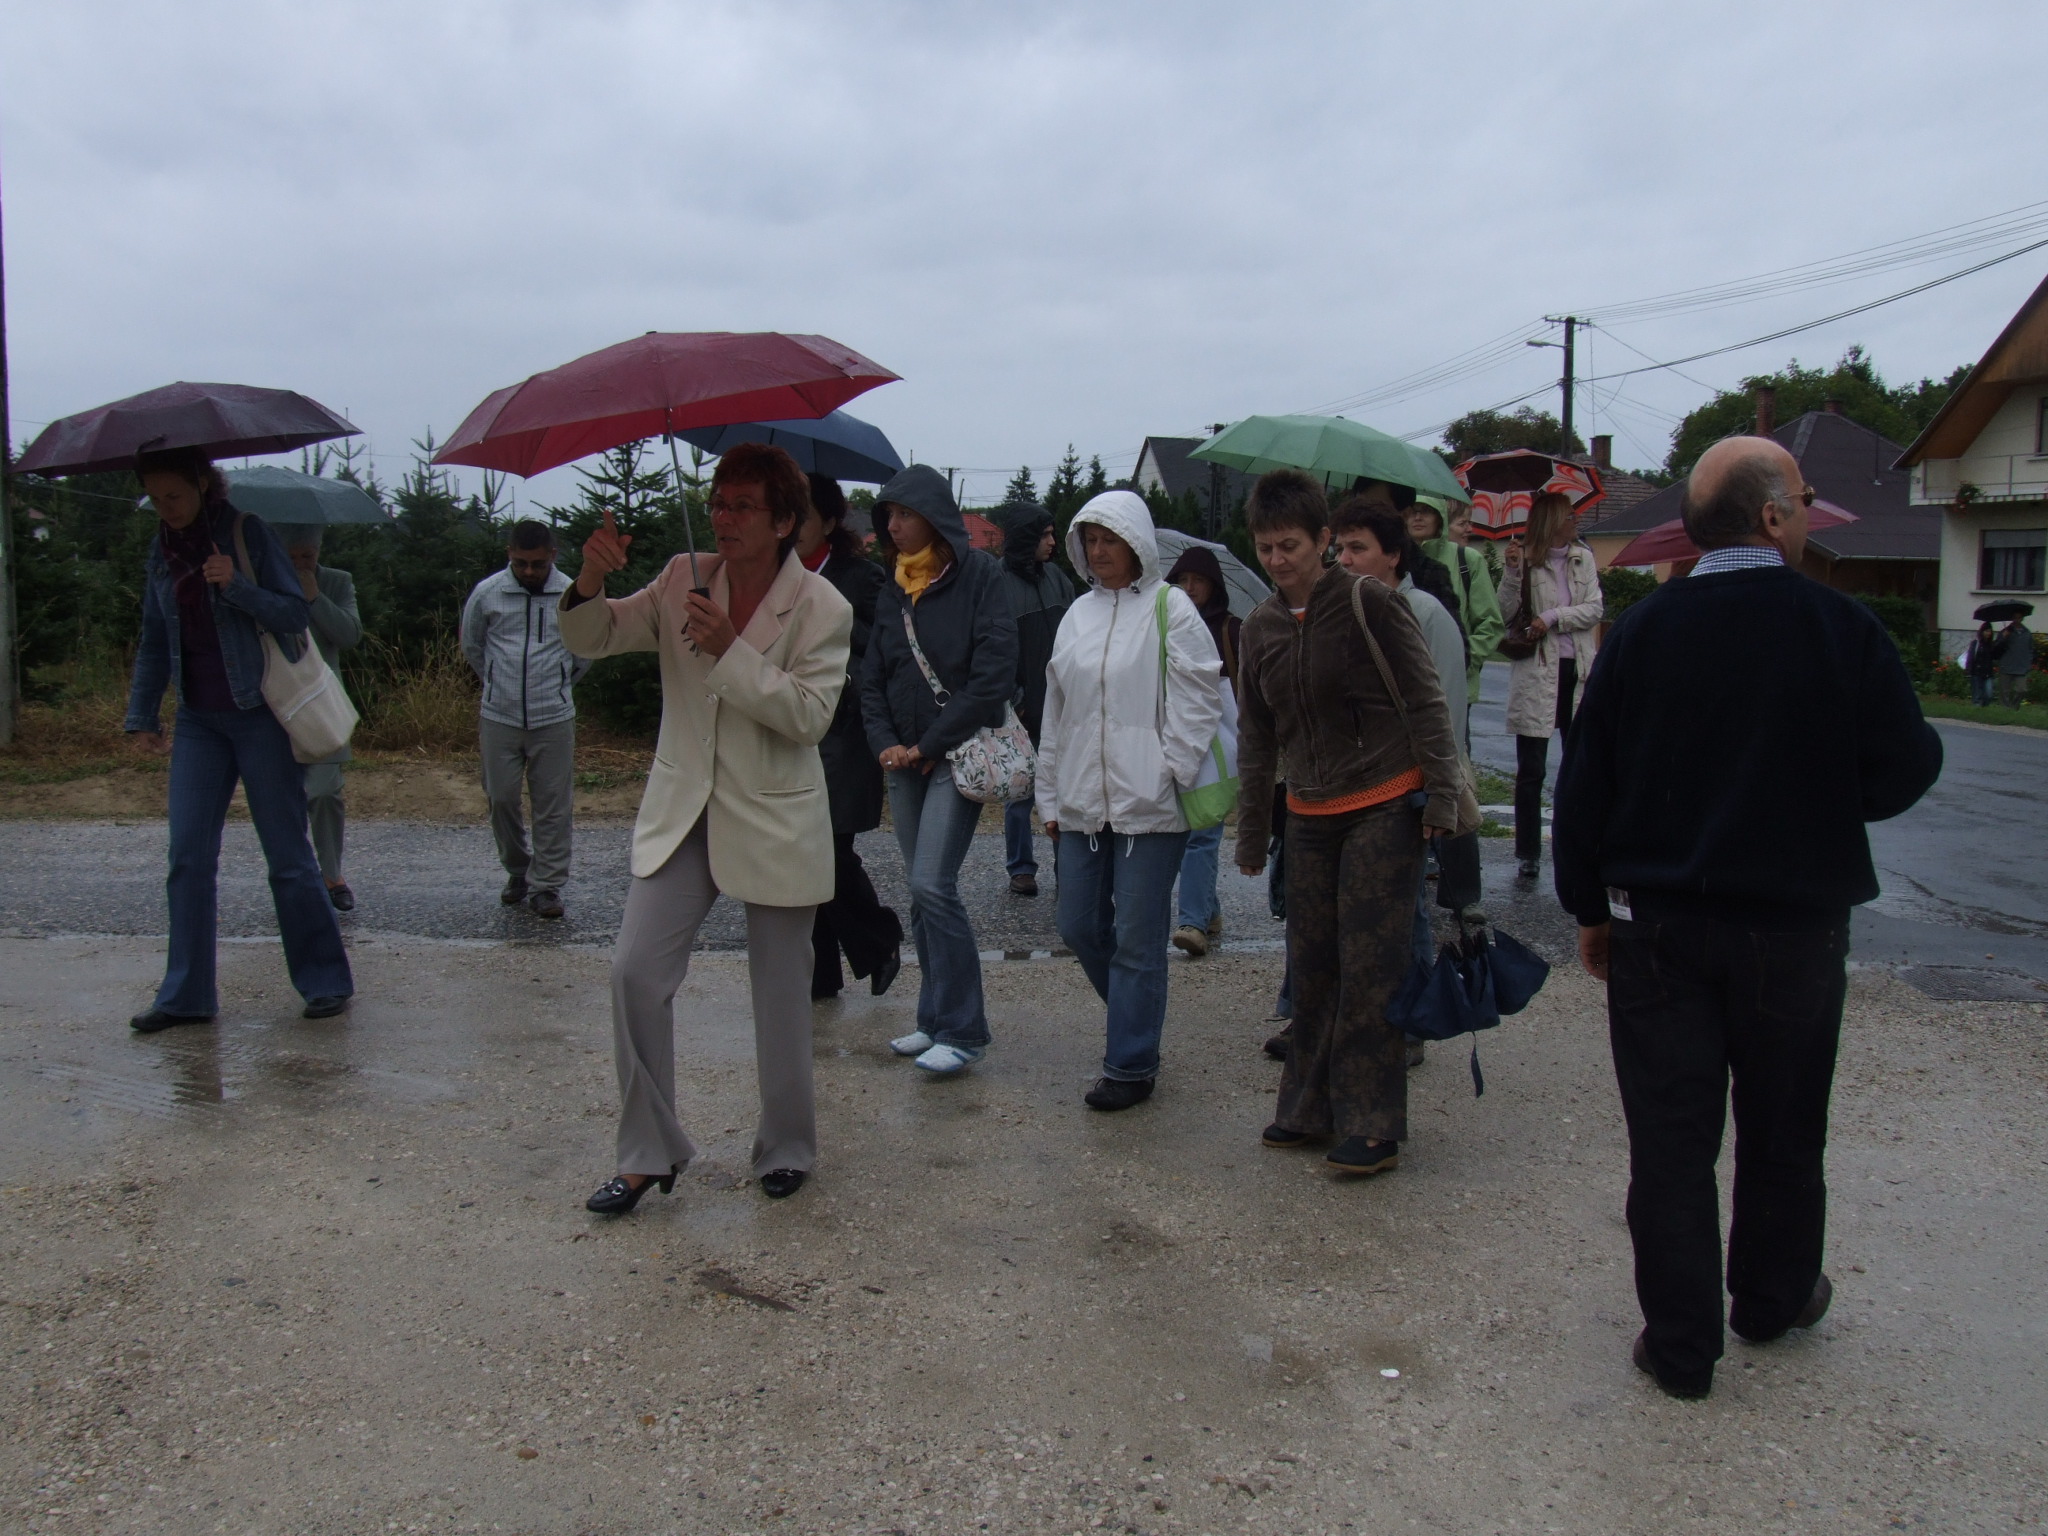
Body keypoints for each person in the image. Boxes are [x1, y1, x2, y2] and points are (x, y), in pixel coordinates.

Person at [1554, 434, 1942, 1400]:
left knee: (1671, 1141)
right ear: (1772, 516)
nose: (1806, 512)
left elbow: (1586, 785)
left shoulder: (1643, 633)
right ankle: (1771, 1298)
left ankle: (1682, 1348)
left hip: (1659, 927)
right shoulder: (1840, 628)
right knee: (1785, 1125)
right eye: (1802, 499)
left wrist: (1589, 908)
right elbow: (1907, 765)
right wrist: (1821, 801)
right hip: (1795, 929)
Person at [562, 442, 852, 1211]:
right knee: (634, 973)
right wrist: (589, 578)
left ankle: (786, 1147)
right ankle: (646, 1152)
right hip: (684, 807)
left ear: (784, 521)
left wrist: (730, 649)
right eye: (718, 502)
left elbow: (809, 717)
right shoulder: (680, 577)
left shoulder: (823, 606)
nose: (723, 517)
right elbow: (593, 636)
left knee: (782, 992)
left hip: (774, 815)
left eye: (742, 506)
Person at [1235, 470, 1476, 1176]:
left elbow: (1427, 702)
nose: (1277, 560)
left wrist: (1440, 798)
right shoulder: (1260, 627)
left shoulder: (1371, 602)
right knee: (1311, 966)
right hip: (1309, 812)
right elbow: (1257, 737)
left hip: (1383, 802)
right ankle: (1308, 1106)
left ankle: (1373, 1123)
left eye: (1290, 545)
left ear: (1323, 541)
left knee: (1372, 965)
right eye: (1265, 547)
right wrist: (1252, 831)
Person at [122, 448, 353, 1031]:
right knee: (188, 857)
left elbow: (293, 616)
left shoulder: (248, 534)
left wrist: (237, 586)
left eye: (175, 495)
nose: (167, 508)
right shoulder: (162, 549)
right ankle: (186, 996)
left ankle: (325, 981)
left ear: (203, 484)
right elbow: (154, 639)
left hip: (260, 715)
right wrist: (142, 716)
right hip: (198, 721)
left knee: (288, 857)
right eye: (156, 498)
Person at [1037, 492, 1224, 1111]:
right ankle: (1134, 1015)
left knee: (1138, 940)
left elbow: (1201, 695)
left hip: (1153, 806)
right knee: (1077, 925)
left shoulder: (1172, 607)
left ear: (1137, 543)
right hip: (1082, 803)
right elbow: (1056, 710)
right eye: (1089, 540)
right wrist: (1049, 795)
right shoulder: (1076, 615)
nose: (1098, 551)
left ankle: (1131, 1063)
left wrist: (1169, 769)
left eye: (1109, 540)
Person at [858, 464, 1018, 1076]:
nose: (893, 526)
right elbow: (872, 676)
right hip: (903, 760)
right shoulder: (894, 584)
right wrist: (885, 745)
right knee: (921, 894)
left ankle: (965, 1030)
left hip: (958, 753)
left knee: (932, 884)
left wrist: (928, 744)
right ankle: (932, 1019)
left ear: (934, 516)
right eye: (888, 516)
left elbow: (992, 677)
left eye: (905, 514)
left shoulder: (981, 576)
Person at [1330, 496, 1468, 1070]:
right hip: (1349, 783)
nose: (1344, 558)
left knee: (1405, 908)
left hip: (1406, 784)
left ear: (1392, 555)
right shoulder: (1340, 610)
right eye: (1339, 547)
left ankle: (1409, 1022)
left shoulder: (1424, 613)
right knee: (1349, 906)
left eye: (1357, 548)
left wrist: (1437, 792)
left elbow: (1444, 708)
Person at [797, 473, 904, 1002]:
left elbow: (886, 645)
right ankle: (818, 977)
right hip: (793, 728)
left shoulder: (860, 578)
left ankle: (878, 941)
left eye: (803, 514)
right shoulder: (775, 576)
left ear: (830, 522)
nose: (790, 525)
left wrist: (831, 636)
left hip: (845, 727)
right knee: (801, 849)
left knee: (828, 847)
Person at [462, 521, 588, 920]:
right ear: (509, 555)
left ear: (553, 555)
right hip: (499, 716)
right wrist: (497, 683)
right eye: (520, 563)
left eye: (537, 563)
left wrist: (557, 684)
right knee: (500, 797)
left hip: (553, 716)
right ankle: (518, 870)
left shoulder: (571, 594)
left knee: (553, 805)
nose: (529, 571)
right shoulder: (488, 593)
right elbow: (472, 645)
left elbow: (585, 651)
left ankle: (546, 885)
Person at [1500, 491, 1603, 882]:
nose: (1576, 521)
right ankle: (1528, 852)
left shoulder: (1583, 558)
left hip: (1577, 670)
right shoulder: (1526, 561)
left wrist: (1554, 615)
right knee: (1532, 770)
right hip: (1537, 671)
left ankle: (1577, 843)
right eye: (1570, 516)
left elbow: (1595, 608)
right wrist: (1512, 573)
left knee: (1580, 765)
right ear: (1553, 521)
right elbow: (1505, 614)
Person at [277, 525, 363, 911]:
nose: (300, 564)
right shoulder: (260, 579)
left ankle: (332, 876)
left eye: (307, 557)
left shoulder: (337, 582)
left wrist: (315, 597)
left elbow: (349, 635)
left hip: (322, 705)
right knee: (281, 798)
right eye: (292, 557)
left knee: (325, 791)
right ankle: (294, 877)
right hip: (276, 702)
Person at [994, 500, 1076, 897]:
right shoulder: (997, 583)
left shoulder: (1057, 578)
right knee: (1020, 791)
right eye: (1044, 535)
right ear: (1026, 538)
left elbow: (1077, 635)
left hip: (1061, 705)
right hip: (1022, 711)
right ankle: (1021, 867)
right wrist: (1016, 700)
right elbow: (991, 650)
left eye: (1053, 534)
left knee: (1063, 789)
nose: (1052, 542)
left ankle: (1067, 869)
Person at [1164, 545, 1241, 958]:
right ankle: (1207, 910)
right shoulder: (1163, 625)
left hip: (1217, 745)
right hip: (1173, 739)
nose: (1190, 588)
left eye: (1198, 581)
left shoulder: (1232, 630)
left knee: (1203, 830)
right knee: (1183, 829)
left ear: (1214, 585)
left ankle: (1192, 922)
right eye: (1182, 580)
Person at [1407, 497, 1506, 706]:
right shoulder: (1393, 558)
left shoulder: (1468, 559)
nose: (1418, 517)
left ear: (1440, 517)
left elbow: (1490, 624)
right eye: (1412, 510)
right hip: (1405, 684)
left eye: (1426, 511)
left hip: (1454, 687)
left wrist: (1462, 660)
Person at [1995, 616, 2035, 707]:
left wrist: (2028, 662)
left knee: (2022, 689)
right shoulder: (2005, 631)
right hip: (2006, 665)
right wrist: (2003, 637)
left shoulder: (2027, 633)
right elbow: (1996, 647)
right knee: (2004, 691)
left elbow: (2031, 649)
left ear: (2022, 618)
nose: (2017, 619)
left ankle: (2014, 706)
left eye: (2019, 617)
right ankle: (2005, 709)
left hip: (2021, 667)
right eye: (2015, 617)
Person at [1962, 622, 1999, 707]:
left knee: (1989, 694)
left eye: (1990, 631)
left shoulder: (1991, 645)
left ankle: (1984, 707)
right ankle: (1977, 707)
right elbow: (1971, 657)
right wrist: (1968, 669)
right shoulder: (1976, 643)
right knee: (1977, 694)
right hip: (1976, 672)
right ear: (1982, 632)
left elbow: (1995, 656)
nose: (1988, 633)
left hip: (1988, 673)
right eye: (1986, 631)